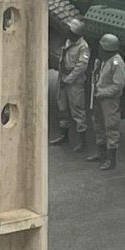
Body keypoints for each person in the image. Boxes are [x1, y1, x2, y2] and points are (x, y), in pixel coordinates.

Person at [86, 34, 125, 171]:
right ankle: (101, 153)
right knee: (98, 125)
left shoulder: (117, 63)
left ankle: (111, 159)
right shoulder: (103, 61)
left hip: (109, 100)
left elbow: (118, 85)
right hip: (98, 97)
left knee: (111, 128)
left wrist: (103, 93)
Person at [50, 17, 90, 151]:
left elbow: (81, 67)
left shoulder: (83, 47)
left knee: (78, 110)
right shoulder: (68, 42)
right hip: (63, 78)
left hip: (75, 83)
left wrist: (69, 78)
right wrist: (62, 77)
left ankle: (82, 142)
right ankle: (64, 136)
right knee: (62, 107)